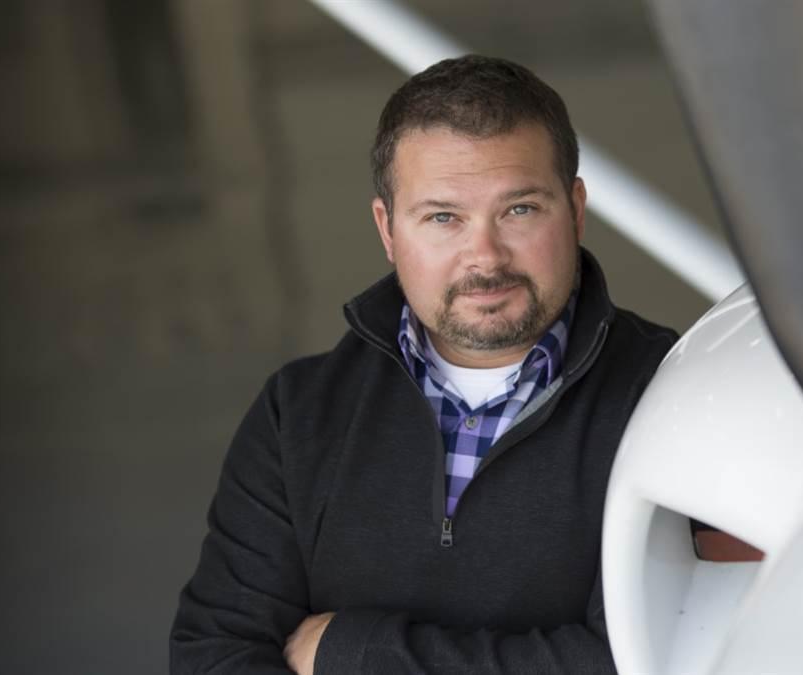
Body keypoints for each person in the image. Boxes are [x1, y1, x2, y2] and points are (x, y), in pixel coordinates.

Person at [170, 54, 677, 674]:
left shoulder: (673, 394)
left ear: (574, 209)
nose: (484, 257)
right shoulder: (297, 415)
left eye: (519, 209)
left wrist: (352, 653)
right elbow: (213, 656)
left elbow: (662, 659)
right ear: (388, 229)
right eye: (443, 217)